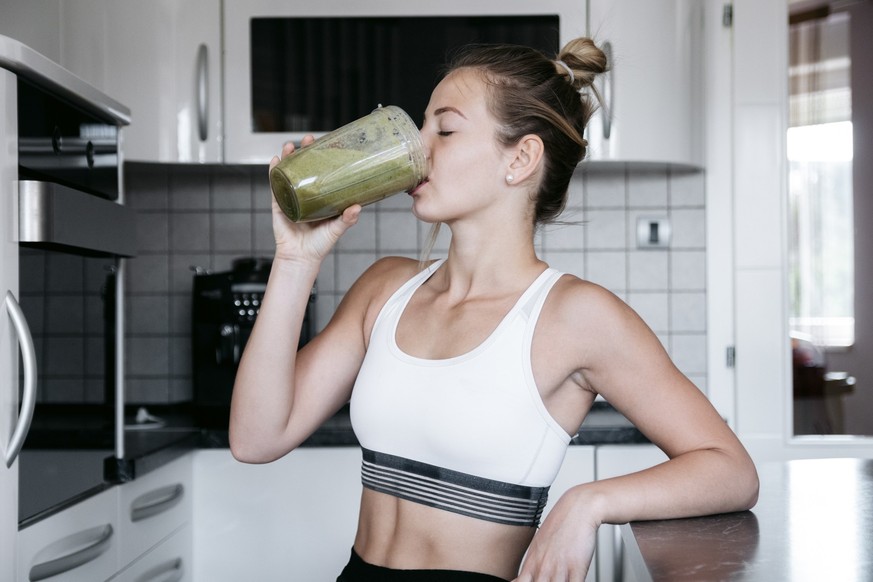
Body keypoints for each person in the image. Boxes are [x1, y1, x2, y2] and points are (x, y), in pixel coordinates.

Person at [229, 36, 759, 582]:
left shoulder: (575, 316)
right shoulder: (385, 288)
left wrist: (588, 502)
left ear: (521, 158)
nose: (417, 148)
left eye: (446, 129)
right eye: (421, 128)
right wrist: (294, 259)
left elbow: (730, 469)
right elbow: (256, 439)